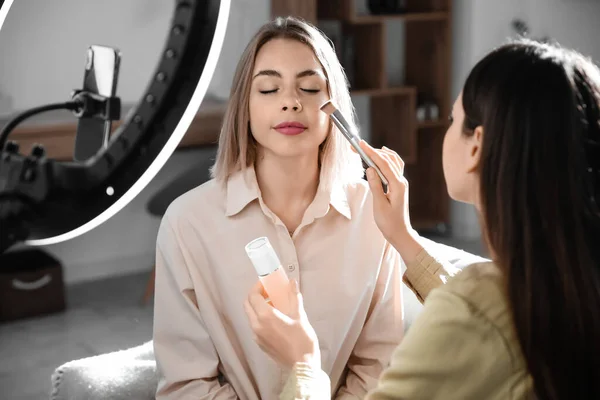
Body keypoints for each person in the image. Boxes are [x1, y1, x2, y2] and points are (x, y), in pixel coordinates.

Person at [245, 38, 600, 399]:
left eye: (452, 119)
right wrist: (403, 237)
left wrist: (302, 362)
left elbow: (477, 318)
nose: (290, 101)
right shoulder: (565, 286)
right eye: (269, 88)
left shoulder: (477, 307)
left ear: (476, 146)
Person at [153, 16, 471, 400]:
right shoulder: (187, 224)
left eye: (308, 87)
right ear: (245, 107)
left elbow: (378, 366)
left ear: (333, 107)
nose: (291, 101)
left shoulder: (373, 216)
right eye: (269, 89)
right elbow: (186, 386)